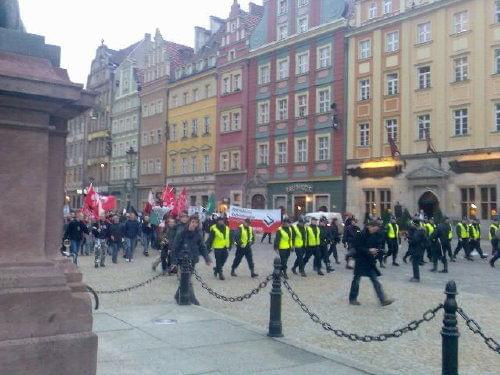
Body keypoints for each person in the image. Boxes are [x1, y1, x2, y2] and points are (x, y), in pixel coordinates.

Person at [348, 220, 394, 306]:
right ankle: (352, 299)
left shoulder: (376, 235)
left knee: (375, 280)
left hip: (369, 261)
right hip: (360, 260)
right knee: (356, 280)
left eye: (376, 229)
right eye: (374, 229)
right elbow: (357, 247)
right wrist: (368, 250)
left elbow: (377, 245)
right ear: (369, 226)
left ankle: (383, 300)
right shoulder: (360, 234)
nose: (375, 231)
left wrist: (378, 251)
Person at [172, 216, 212, 305]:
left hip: (192, 259)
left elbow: (202, 247)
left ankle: (177, 295)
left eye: (196, 222)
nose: (194, 224)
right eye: (193, 222)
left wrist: (207, 258)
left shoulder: (198, 234)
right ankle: (192, 299)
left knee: (186, 280)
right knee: (187, 280)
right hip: (182, 260)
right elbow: (175, 248)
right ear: (189, 222)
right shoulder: (181, 233)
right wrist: (174, 262)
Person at [206, 216, 231, 280]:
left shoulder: (227, 228)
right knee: (218, 260)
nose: (221, 222)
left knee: (225, 258)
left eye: (222, 220)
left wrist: (230, 245)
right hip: (217, 247)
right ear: (217, 221)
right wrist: (208, 247)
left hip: (225, 246)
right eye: (220, 220)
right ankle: (220, 274)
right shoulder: (214, 229)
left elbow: (229, 237)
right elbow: (210, 239)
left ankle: (216, 269)